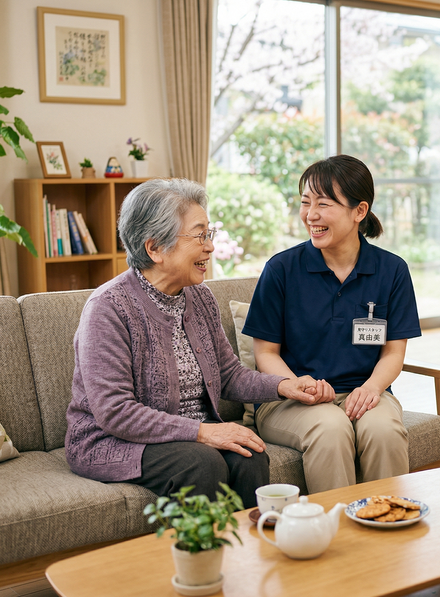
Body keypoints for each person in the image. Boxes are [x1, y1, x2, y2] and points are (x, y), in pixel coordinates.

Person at [65, 179, 318, 509]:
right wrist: (204, 432)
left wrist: (285, 385)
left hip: (187, 436)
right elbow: (115, 412)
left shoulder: (200, 297)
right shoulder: (109, 308)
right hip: (112, 440)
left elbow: (227, 376)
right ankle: (199, 560)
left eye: (208, 234)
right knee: (202, 462)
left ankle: (250, 557)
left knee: (250, 454)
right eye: (200, 236)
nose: (210, 247)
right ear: (155, 248)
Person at [242, 154, 421, 494]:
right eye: (306, 202)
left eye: (324, 204)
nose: (311, 215)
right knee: (331, 427)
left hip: (365, 391)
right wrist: (299, 387)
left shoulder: (391, 270)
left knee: (384, 431)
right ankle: (340, 538)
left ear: (360, 211)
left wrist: (371, 389)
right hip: (289, 399)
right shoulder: (281, 270)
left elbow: (394, 352)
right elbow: (265, 353)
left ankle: (389, 528)